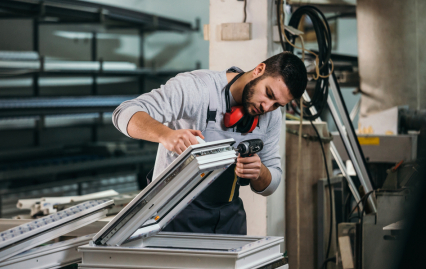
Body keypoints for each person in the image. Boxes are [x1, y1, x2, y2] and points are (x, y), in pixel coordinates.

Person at [112, 51, 307, 235]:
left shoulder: (271, 117)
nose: (266, 107)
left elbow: (272, 182)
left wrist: (260, 172)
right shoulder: (197, 88)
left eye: (276, 105)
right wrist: (166, 134)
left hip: (228, 217)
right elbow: (124, 113)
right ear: (258, 70)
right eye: (269, 94)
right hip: (172, 213)